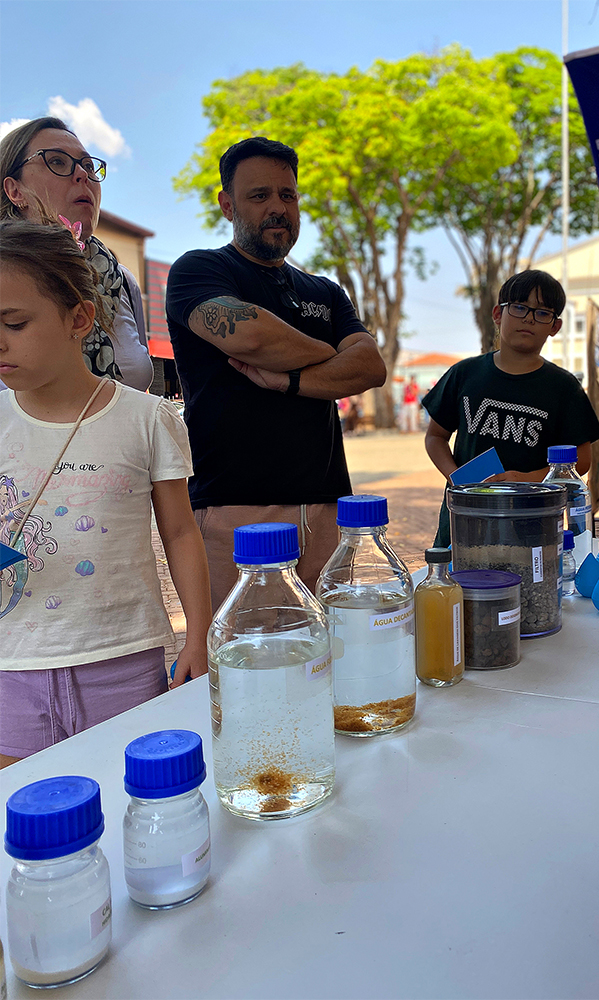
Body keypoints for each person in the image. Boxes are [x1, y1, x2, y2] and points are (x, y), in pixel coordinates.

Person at [0, 220, 212, 766]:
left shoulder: (147, 418)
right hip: (11, 668)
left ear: (80, 317)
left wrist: (199, 636)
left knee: (131, 803)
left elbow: (181, 532)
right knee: (24, 820)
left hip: (124, 661)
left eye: (14, 322)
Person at [165, 137, 386, 609]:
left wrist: (290, 378)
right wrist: (330, 354)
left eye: (288, 195)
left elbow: (369, 366)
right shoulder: (198, 270)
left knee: (331, 658)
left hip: (327, 510)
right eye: (259, 195)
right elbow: (252, 338)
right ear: (227, 205)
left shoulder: (324, 291)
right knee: (247, 664)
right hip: (236, 513)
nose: (278, 208)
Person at [423, 269, 599, 546]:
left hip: (531, 522)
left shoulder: (563, 387)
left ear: (555, 327)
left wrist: (526, 480)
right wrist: (457, 480)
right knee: (460, 584)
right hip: (465, 518)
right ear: (498, 314)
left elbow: (582, 459)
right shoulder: (465, 374)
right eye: (519, 307)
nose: (529, 319)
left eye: (542, 313)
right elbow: (435, 437)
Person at [1, 116, 153, 391]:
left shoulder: (122, 282)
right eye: (57, 161)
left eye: (88, 166)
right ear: (14, 190)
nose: (82, 174)